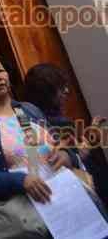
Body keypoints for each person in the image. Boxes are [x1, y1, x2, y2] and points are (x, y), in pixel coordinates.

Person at [0, 52, 79, 239]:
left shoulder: (29, 110)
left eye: (0, 70)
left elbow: (57, 144)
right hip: (23, 219)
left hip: (62, 206)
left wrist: (66, 154)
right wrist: (19, 180)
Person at [24, 63, 108, 205]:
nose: (67, 91)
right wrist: (92, 136)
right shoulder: (52, 125)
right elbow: (78, 156)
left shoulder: (38, 121)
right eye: (61, 88)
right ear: (47, 94)